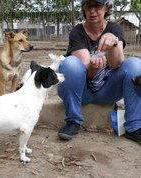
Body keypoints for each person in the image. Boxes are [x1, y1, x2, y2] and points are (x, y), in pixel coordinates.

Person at [57, 0, 141, 144]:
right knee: (70, 63)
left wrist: (114, 41)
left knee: (135, 64)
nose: (93, 11)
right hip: (82, 91)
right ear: (84, 8)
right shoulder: (78, 31)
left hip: (108, 91)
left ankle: (134, 126)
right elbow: (84, 72)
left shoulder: (114, 28)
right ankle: (73, 121)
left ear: (106, 8)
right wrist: (95, 66)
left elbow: (117, 63)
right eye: (89, 6)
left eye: (97, 6)